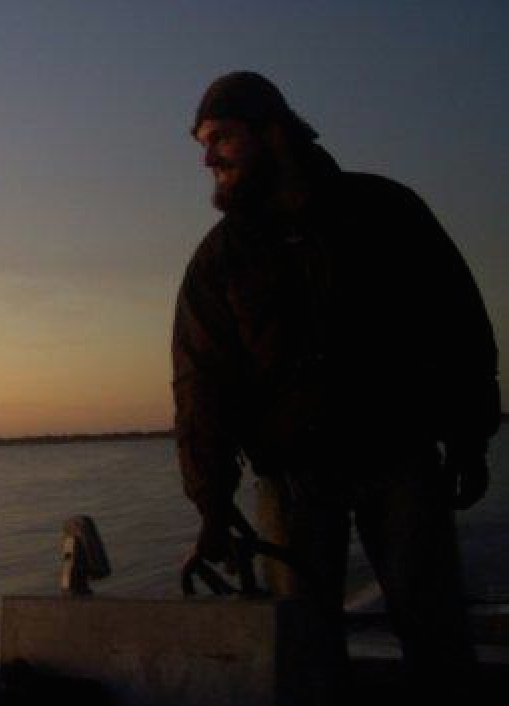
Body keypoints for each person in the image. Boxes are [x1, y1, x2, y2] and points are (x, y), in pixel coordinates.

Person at [172, 71, 500, 703]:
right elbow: (200, 386)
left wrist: (468, 437)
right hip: (293, 483)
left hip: (400, 463)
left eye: (220, 138)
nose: (206, 157)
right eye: (201, 143)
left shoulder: (385, 209)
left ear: (272, 133)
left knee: (435, 635)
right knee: (303, 649)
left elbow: (456, 321)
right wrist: (211, 500)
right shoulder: (218, 259)